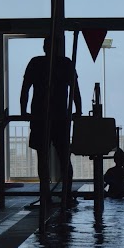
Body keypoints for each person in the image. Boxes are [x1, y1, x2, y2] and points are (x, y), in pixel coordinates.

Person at [21, 35, 81, 206]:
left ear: (45, 47)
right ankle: (66, 195)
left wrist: (23, 111)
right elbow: (75, 90)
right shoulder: (65, 64)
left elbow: (26, 88)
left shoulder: (36, 63)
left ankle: (48, 195)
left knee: (45, 159)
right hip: (59, 116)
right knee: (63, 158)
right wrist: (78, 110)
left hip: (41, 116)